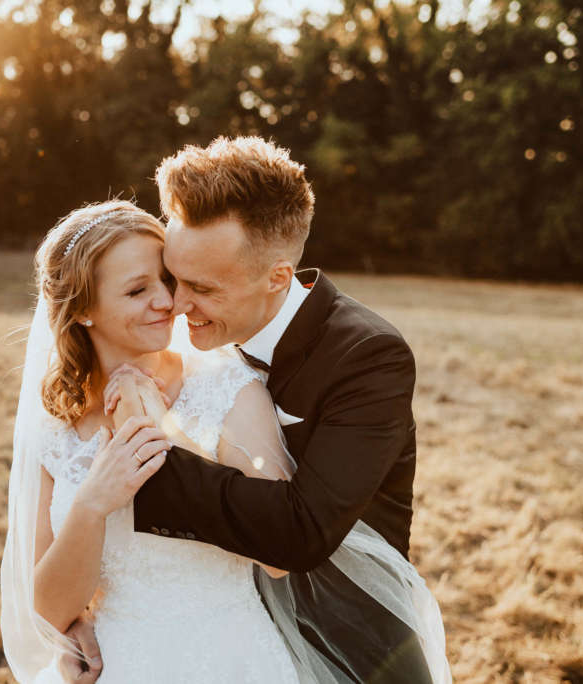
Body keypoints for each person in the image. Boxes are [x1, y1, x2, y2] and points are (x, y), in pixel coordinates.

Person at [69, 137, 451, 683]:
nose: (175, 305)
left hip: (347, 640)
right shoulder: (187, 333)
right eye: (173, 277)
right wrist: (80, 615)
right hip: (205, 638)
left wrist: (142, 451)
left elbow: (300, 534)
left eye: (200, 287)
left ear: (278, 277)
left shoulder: (367, 356)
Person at [0, 199, 305, 683]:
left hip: (231, 661)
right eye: (138, 290)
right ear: (82, 310)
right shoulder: (58, 425)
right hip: (117, 665)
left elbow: (280, 556)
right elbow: (49, 611)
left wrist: (166, 434)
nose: (168, 301)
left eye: (167, 279)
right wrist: (93, 505)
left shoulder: (226, 387)